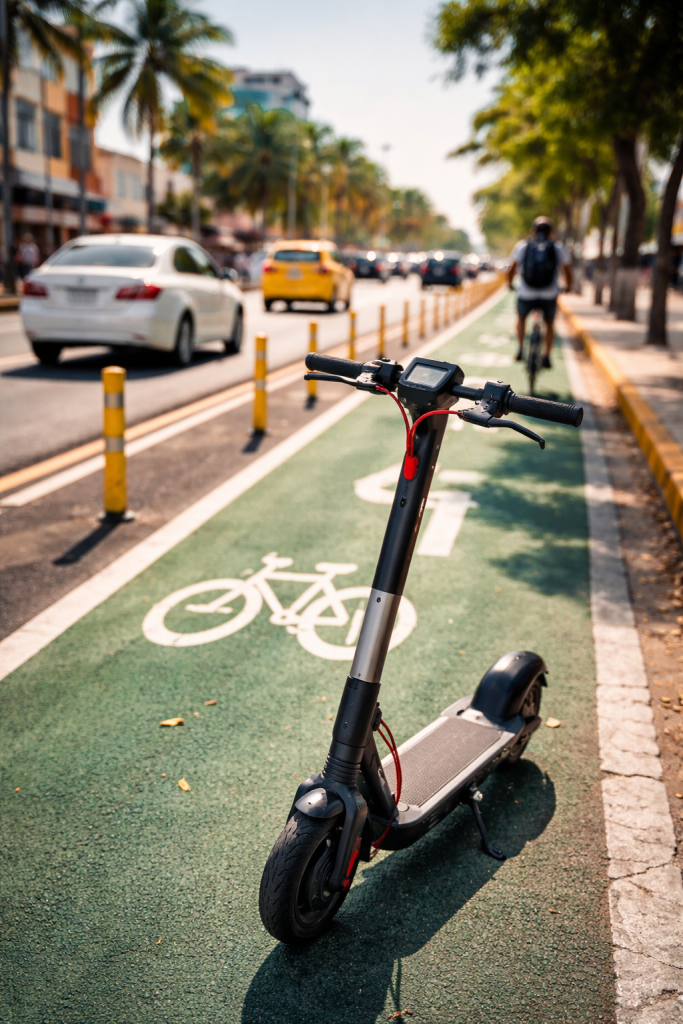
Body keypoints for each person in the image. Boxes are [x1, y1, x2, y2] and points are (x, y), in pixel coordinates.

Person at [507, 217, 572, 369]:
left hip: (526, 293)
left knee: (521, 318)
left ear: (533, 231)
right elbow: (567, 271)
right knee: (549, 324)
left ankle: (520, 348)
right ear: (551, 232)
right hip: (549, 294)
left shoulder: (523, 246)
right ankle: (547, 357)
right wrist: (568, 287)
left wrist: (510, 284)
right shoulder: (558, 247)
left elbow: (512, 268)